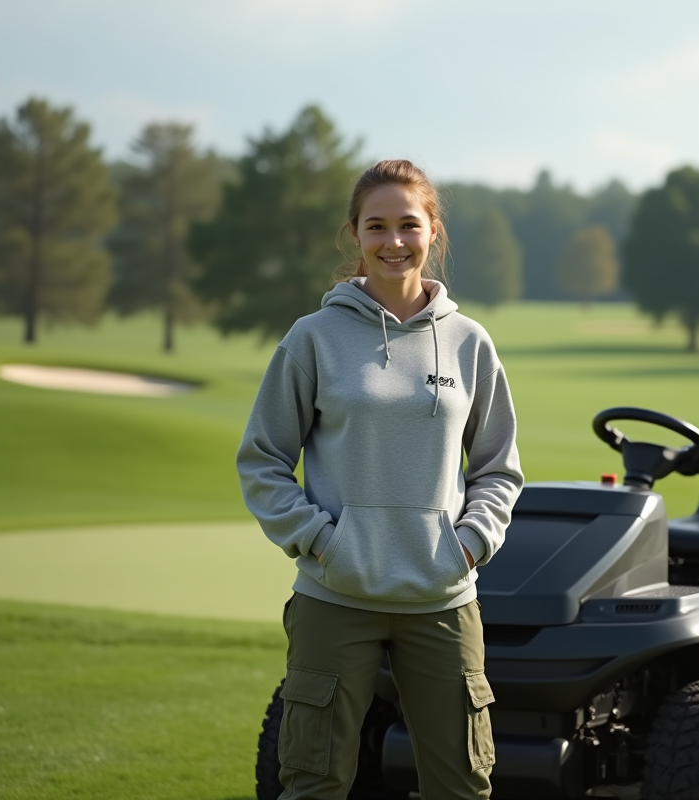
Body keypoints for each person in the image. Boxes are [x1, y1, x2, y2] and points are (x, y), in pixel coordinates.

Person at [237, 159, 523, 799]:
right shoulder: (313, 339)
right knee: (313, 783)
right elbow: (262, 460)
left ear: (433, 232)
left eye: (408, 225)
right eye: (377, 226)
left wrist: (469, 544)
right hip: (335, 598)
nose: (394, 241)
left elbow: (499, 468)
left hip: (442, 600)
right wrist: (320, 542)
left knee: (463, 787)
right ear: (355, 234)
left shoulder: (471, 342)